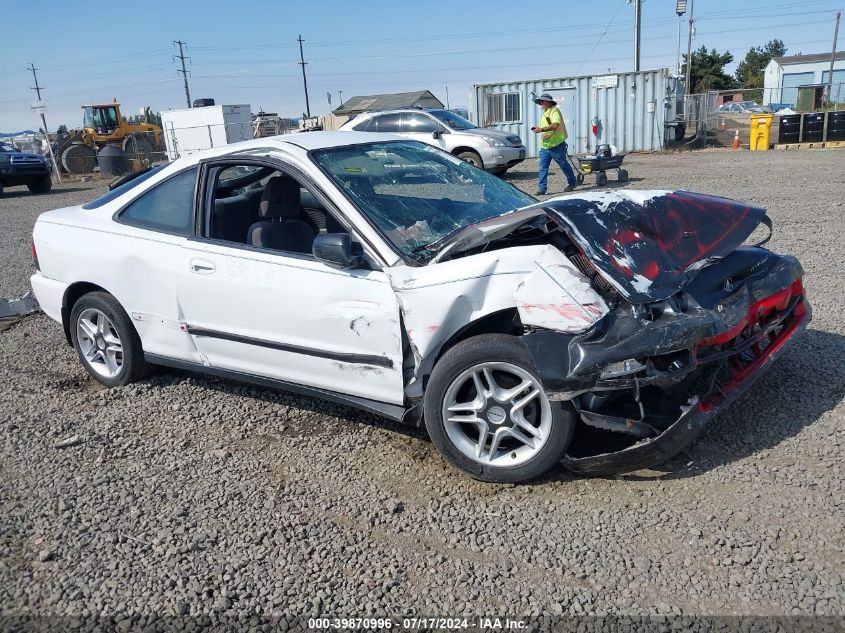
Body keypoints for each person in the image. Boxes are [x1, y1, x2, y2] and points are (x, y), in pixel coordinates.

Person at [530, 93, 577, 195]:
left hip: (557, 145)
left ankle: (572, 182)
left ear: (548, 102)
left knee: (563, 164)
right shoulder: (546, 112)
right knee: (543, 168)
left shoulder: (554, 111)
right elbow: (548, 127)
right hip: (546, 145)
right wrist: (540, 129)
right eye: (540, 101)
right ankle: (542, 189)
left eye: (543, 101)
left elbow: (555, 125)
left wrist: (541, 129)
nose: (541, 103)